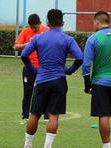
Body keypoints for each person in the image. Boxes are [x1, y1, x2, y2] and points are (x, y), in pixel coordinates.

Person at [21, 9, 83, 148]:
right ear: (62, 22)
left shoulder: (38, 38)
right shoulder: (68, 39)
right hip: (59, 80)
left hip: (42, 80)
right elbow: (79, 57)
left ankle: (27, 145)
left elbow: (24, 55)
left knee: (34, 114)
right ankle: (47, 146)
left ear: (47, 22)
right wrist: (70, 70)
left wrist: (34, 70)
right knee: (54, 115)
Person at [82, 11, 111, 148]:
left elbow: (86, 64)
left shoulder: (93, 39)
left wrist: (87, 84)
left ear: (97, 22)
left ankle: (106, 146)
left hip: (101, 83)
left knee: (104, 115)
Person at [14, 14, 49, 124]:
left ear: (40, 23)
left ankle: (47, 116)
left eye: (36, 27)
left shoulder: (47, 31)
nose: (34, 29)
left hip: (43, 67)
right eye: (32, 27)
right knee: (27, 92)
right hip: (29, 67)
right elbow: (15, 47)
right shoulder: (25, 32)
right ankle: (25, 116)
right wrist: (28, 44)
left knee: (45, 91)